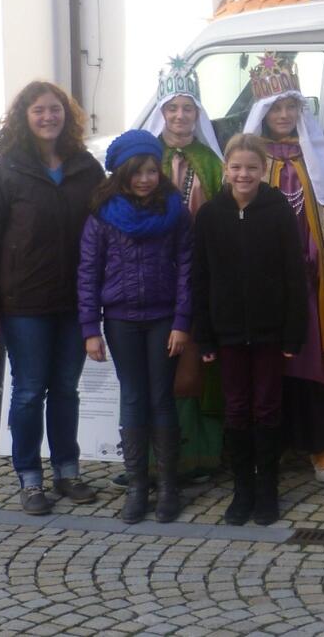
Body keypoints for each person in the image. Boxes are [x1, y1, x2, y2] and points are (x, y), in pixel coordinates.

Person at [0, 81, 105, 514]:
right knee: (28, 391)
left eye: (55, 109)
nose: (48, 117)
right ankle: (29, 478)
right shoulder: (5, 171)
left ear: (68, 115)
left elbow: (108, 226)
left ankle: (67, 470)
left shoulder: (86, 168)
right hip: (23, 303)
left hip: (75, 302)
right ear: (24, 118)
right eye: (39, 110)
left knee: (66, 389)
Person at [243, 54, 324, 483]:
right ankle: (272, 446)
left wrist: (312, 261)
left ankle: (319, 445)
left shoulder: (313, 158)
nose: (283, 115)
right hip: (264, 284)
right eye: (275, 108)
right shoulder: (250, 162)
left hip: (308, 283)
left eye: (290, 107)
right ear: (263, 113)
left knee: (312, 363)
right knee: (267, 363)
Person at [192, 134, 310, 526]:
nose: (244, 174)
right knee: (237, 408)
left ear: (263, 169)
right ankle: (242, 489)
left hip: (269, 331)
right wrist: (204, 334)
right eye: (236, 167)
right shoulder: (210, 215)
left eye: (252, 168)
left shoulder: (278, 212)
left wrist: (293, 332)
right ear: (226, 169)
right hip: (227, 332)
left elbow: (294, 276)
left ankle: (267, 488)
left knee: (267, 407)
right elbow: (200, 278)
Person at [78, 130, 193, 524]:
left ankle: (168, 486)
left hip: (163, 319)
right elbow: (88, 272)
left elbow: (187, 269)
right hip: (121, 319)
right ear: (122, 173)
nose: (145, 179)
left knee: (161, 398)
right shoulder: (102, 215)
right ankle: (137, 486)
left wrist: (182, 321)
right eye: (137, 172)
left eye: (151, 171)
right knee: (132, 396)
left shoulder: (175, 211)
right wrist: (90, 328)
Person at [142, 58, 226, 483]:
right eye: (172, 108)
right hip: (154, 275)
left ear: (198, 113)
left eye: (187, 108)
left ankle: (201, 455)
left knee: (198, 363)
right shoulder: (146, 158)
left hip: (198, 274)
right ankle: (154, 459)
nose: (180, 116)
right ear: (162, 112)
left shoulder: (210, 162)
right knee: (157, 363)